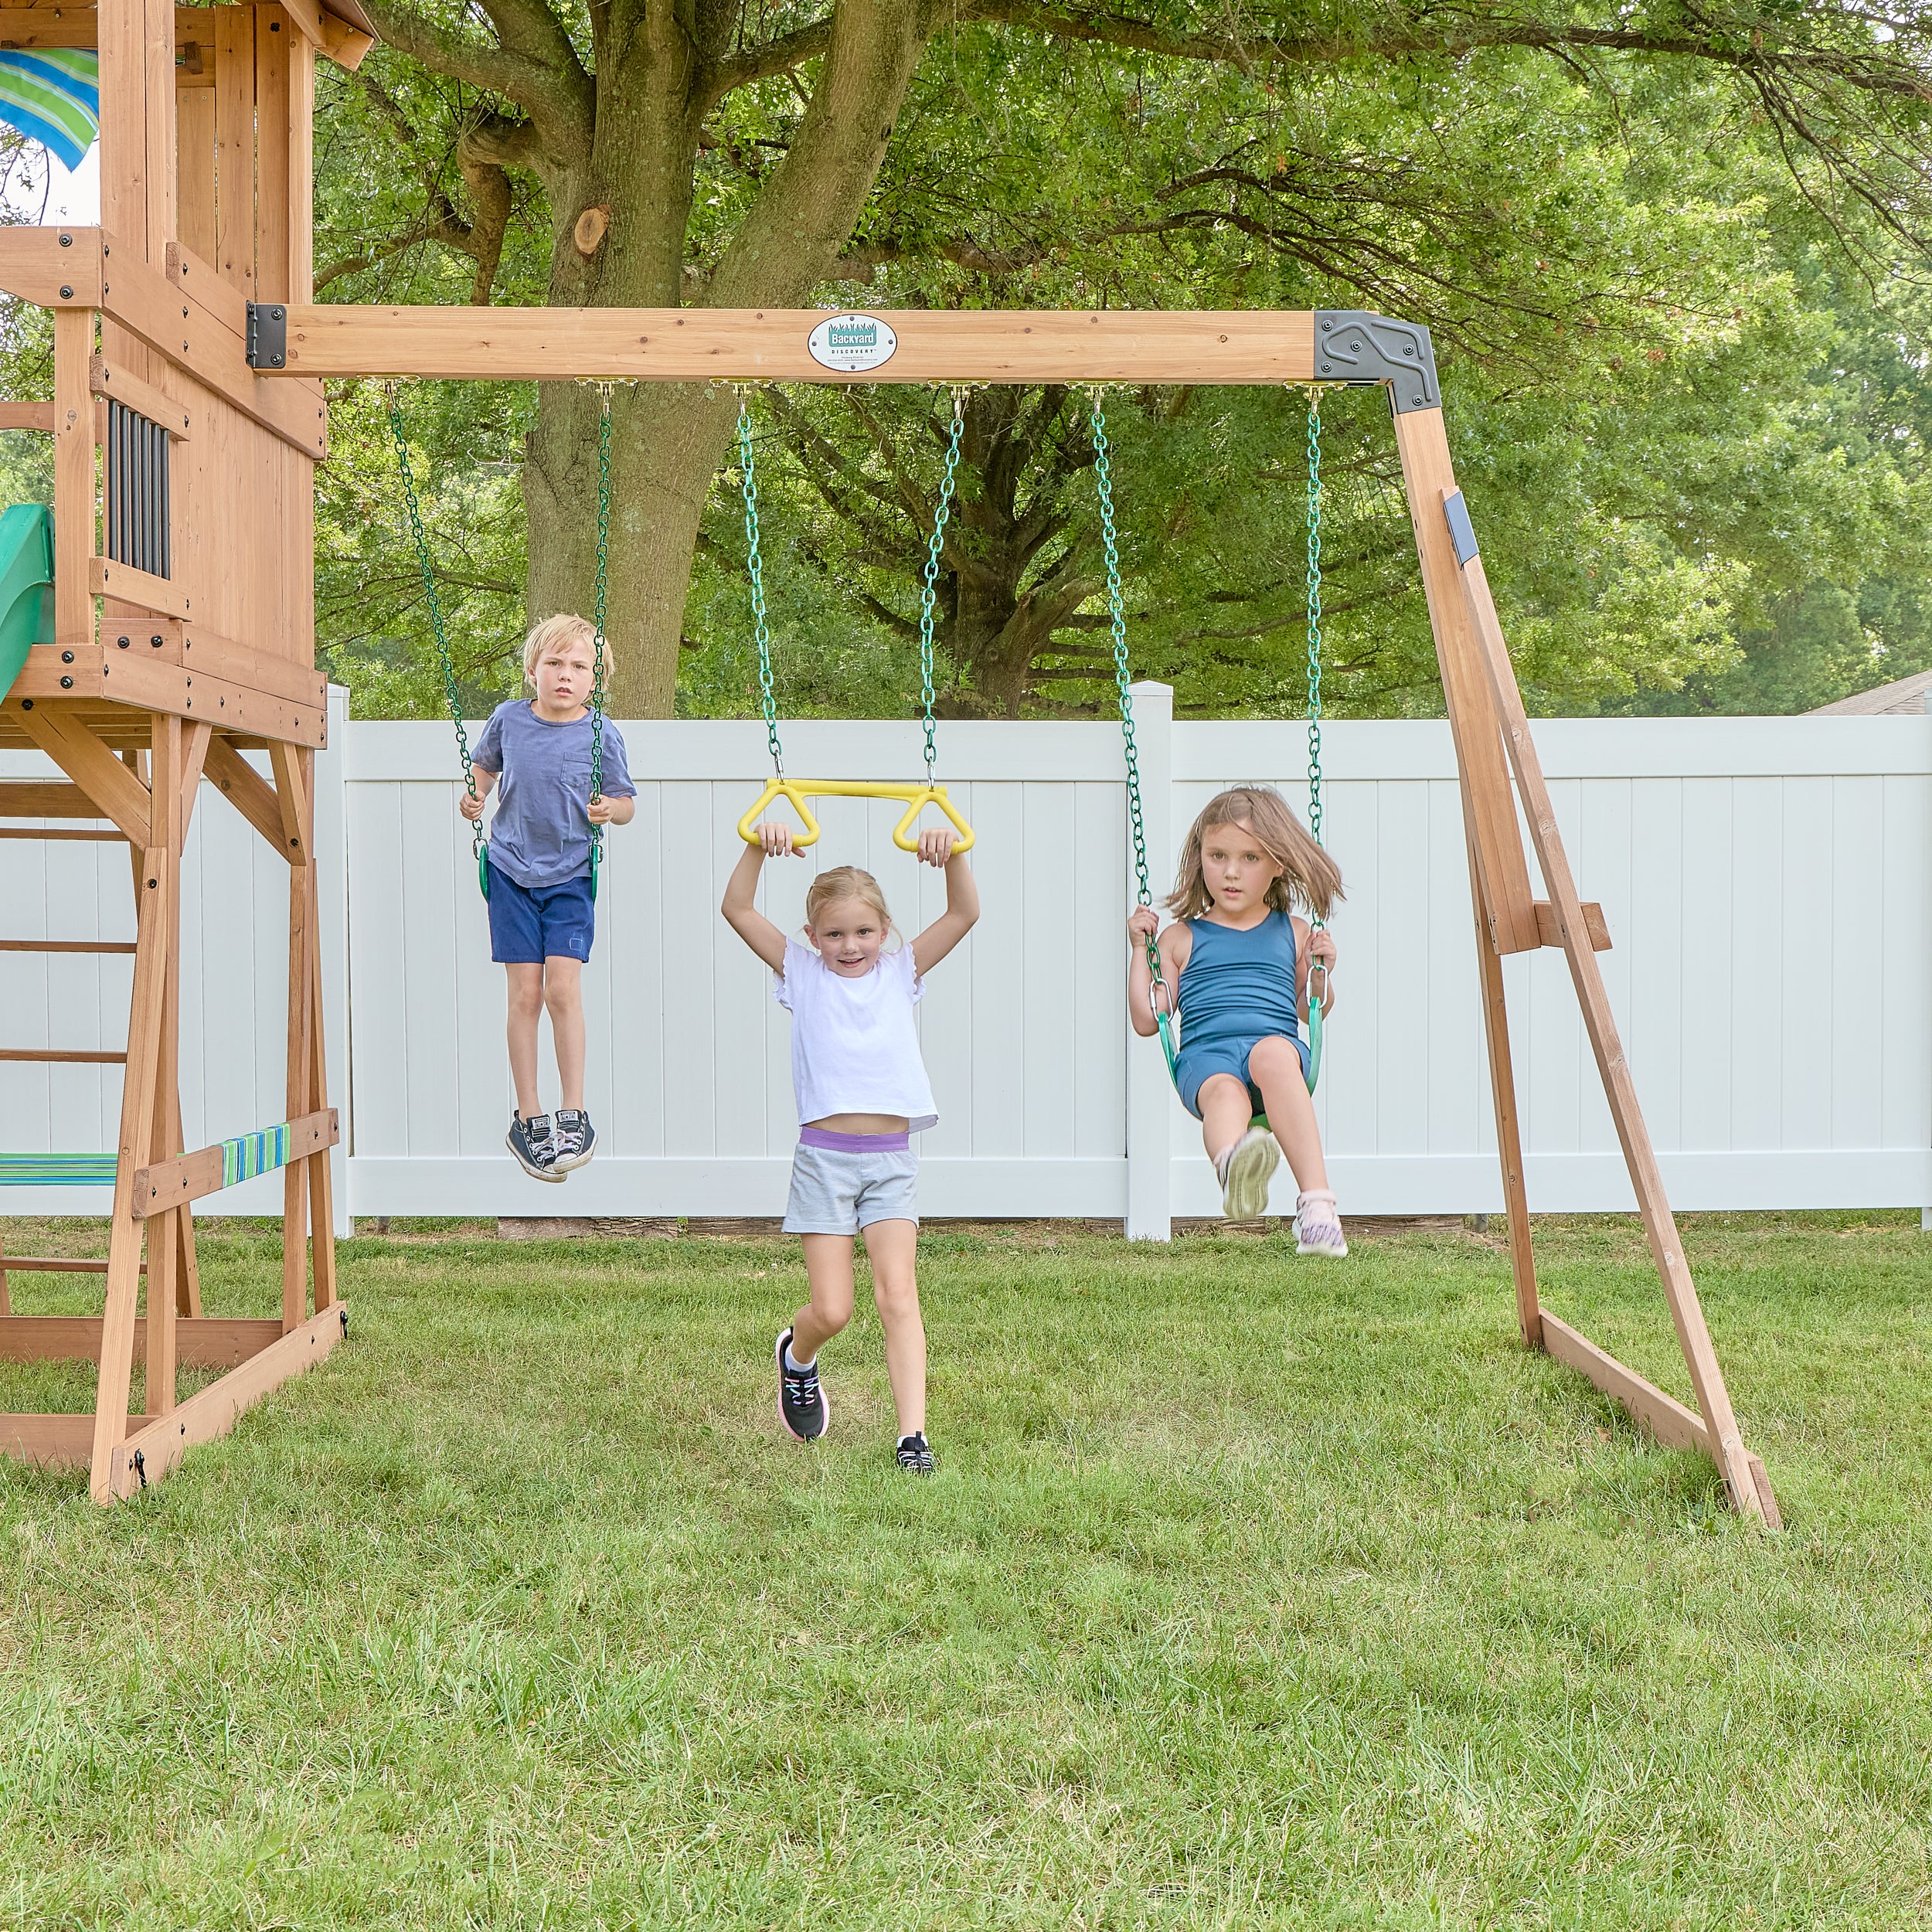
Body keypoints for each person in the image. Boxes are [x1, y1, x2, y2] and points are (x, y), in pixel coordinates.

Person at [721, 821, 979, 1471]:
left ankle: (913, 1439)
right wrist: (757, 843)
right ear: (812, 937)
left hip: (890, 1162)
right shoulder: (801, 972)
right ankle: (798, 1356)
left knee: (898, 1296)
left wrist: (954, 852)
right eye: (834, 934)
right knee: (833, 1310)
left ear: (885, 931)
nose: (850, 945)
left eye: (864, 931)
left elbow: (964, 912)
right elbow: (737, 908)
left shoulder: (900, 970)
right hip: (825, 1162)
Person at [1128, 785, 1346, 1255]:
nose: (1231, 871)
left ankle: (1317, 1210)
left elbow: (1313, 1009)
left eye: (1250, 858)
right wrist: (1140, 950)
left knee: (1272, 1054)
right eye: (1218, 856)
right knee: (1225, 1092)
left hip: (1276, 1054)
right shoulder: (1179, 938)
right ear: (1200, 858)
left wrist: (1321, 968)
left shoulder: (1294, 932)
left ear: (1278, 864)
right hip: (1206, 1060)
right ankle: (1235, 1167)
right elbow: (1148, 1020)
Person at [464, 614, 635, 1182]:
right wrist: (473, 797)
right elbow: (483, 769)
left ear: (595, 679)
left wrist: (611, 811)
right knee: (525, 995)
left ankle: (574, 1113)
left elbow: (626, 803)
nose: (566, 675)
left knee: (562, 990)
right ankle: (529, 1116)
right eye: (554, 664)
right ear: (532, 670)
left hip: (571, 875)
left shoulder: (601, 734)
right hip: (511, 870)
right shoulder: (509, 719)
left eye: (580, 667)